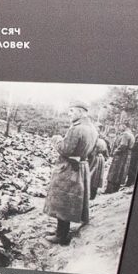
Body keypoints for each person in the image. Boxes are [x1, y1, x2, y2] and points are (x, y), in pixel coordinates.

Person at [48, 105, 101, 245]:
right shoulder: (93, 129)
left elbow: (65, 149)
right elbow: (92, 153)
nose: (69, 113)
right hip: (82, 167)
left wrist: (56, 140)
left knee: (63, 199)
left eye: (71, 111)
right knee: (70, 199)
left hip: (69, 168)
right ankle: (61, 231)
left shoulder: (76, 129)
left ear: (81, 112)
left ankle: (61, 235)